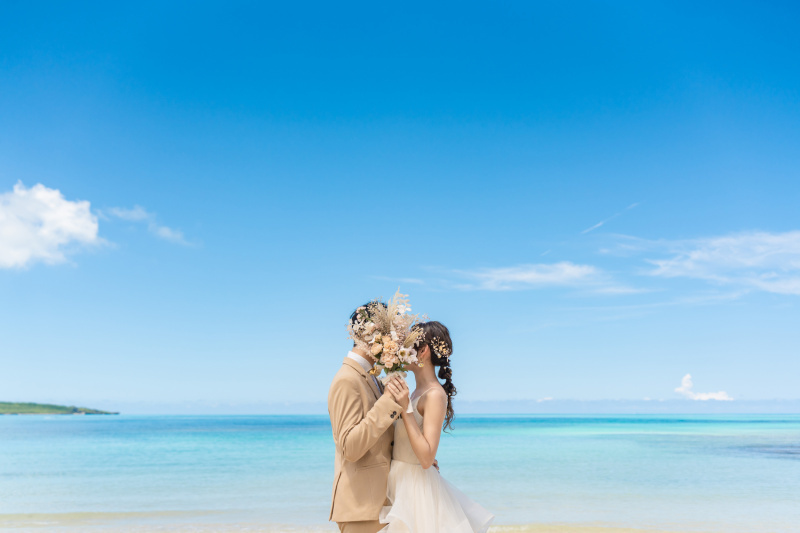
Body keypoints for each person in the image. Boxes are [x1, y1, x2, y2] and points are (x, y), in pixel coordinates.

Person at [379, 321, 494, 532]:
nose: (400, 351)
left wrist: (406, 410)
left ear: (423, 351)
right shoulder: (414, 392)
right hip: (400, 479)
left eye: (407, 345)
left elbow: (426, 459)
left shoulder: (434, 395)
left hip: (414, 487)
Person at [328, 301, 408, 533]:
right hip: (361, 509)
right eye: (394, 335)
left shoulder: (372, 377)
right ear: (373, 334)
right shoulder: (347, 379)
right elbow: (350, 447)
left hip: (381, 506)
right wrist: (387, 402)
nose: (397, 344)